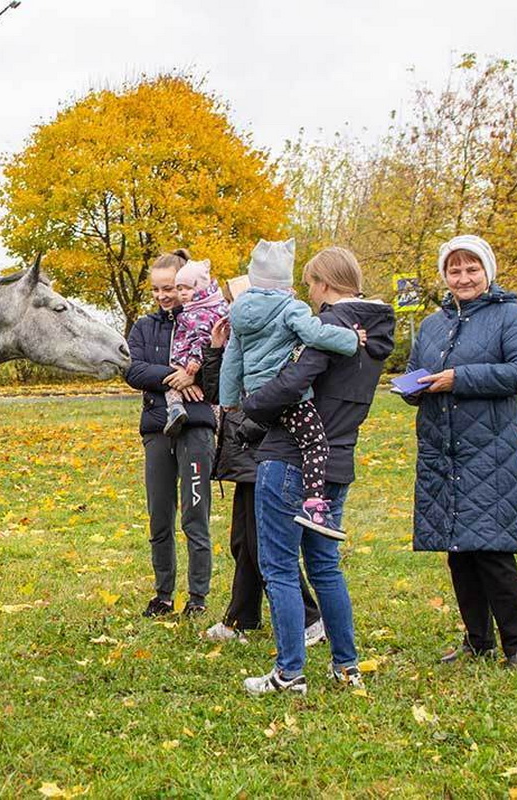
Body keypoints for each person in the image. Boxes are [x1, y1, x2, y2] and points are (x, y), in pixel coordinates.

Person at [239, 246, 395, 695]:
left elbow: (292, 382)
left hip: (290, 456)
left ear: (326, 283)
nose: (310, 292)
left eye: (311, 283)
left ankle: (289, 672)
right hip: (337, 460)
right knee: (326, 567)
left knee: (280, 567)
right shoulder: (376, 332)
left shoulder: (329, 326)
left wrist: (251, 405)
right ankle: (347, 668)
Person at [403, 234, 517, 669]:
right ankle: (477, 640)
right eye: (454, 270)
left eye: (471, 268)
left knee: (492, 551)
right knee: (458, 551)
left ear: (487, 271)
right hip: (442, 451)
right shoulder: (432, 324)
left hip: (491, 451)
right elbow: (414, 373)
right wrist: (415, 387)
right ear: (444, 275)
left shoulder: (509, 315)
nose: (463, 277)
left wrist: (458, 378)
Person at [219, 238, 366, 539]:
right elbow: (315, 334)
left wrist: (229, 400)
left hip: (258, 393)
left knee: (298, 439)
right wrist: (351, 340)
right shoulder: (290, 308)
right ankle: (314, 504)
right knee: (315, 443)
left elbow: (232, 360)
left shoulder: (239, 311)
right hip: (288, 393)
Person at [203, 314, 327, 647]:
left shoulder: (279, 346)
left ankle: (310, 619)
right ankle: (239, 618)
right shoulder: (242, 343)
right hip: (242, 456)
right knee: (244, 542)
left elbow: (273, 404)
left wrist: (246, 431)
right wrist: (217, 350)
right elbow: (220, 397)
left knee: (263, 544)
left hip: (264, 453)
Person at [125, 249, 218, 619]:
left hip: (195, 428)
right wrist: (175, 375)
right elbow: (133, 370)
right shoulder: (145, 327)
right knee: (159, 516)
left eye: (170, 288)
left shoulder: (206, 320)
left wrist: (196, 373)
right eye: (157, 290)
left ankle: (198, 597)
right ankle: (163, 594)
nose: (164, 296)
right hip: (157, 430)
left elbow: (220, 370)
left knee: (195, 516)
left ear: (184, 285)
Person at [164, 259, 229, 437]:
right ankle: (219, 426)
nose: (183, 293)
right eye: (179, 289)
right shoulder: (211, 306)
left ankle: (175, 408)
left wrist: (195, 359)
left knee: (172, 383)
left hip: (190, 359)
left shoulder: (198, 312)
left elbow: (201, 338)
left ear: (200, 287)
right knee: (212, 397)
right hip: (207, 362)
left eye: (188, 288)